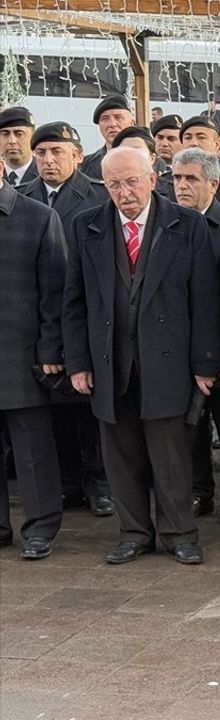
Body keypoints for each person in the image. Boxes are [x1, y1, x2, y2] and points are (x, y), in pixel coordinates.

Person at [62, 146, 219, 565]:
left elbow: (205, 299)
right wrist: (78, 362)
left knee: (171, 457)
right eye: (114, 184)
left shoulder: (186, 225)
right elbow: (74, 300)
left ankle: (180, 533)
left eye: (132, 181)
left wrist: (205, 363)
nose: (124, 191)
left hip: (168, 361)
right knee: (121, 456)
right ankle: (133, 533)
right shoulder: (86, 226)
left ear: (153, 179)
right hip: (111, 362)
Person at [22, 122, 115, 518]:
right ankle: (69, 482)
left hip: (87, 318)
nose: (48, 160)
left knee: (90, 411)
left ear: (77, 155)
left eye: (57, 152)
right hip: (42, 322)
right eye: (41, 153)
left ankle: (101, 484)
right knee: (55, 412)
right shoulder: (24, 200)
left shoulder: (96, 195)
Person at [170, 147, 220, 525]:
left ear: (213, 184)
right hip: (181, 347)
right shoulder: (167, 223)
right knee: (191, 427)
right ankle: (199, 492)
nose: (182, 187)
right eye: (177, 178)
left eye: (192, 179)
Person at [0, 173, 66, 559]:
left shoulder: (37, 216)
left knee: (33, 450)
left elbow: (55, 294)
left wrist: (50, 352)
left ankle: (41, 527)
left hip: (21, 355)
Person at [80, 94, 134, 179]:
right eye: (105, 119)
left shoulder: (149, 160)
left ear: (132, 123)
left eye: (118, 117)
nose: (112, 124)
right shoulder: (85, 165)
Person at [1, 106, 38, 187]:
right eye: (5, 134)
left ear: (33, 137)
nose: (12, 141)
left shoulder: (45, 175)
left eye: (19, 134)